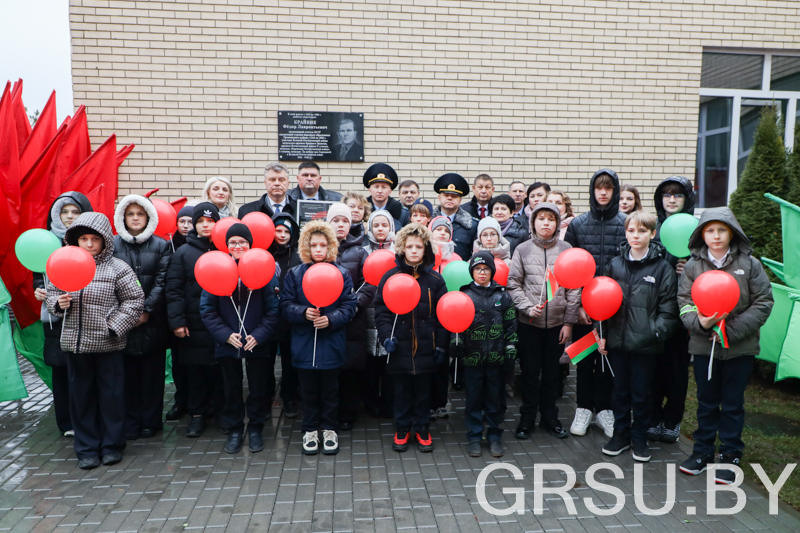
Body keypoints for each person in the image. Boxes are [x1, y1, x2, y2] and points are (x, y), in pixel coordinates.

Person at [677, 208, 773, 484]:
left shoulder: (750, 264)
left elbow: (764, 302)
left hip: (739, 349)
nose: (716, 236)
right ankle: (703, 451)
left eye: (721, 230)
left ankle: (730, 455)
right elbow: (683, 303)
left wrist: (730, 330)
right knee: (706, 403)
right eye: (709, 230)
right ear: (701, 235)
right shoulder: (693, 266)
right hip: (703, 348)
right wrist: (701, 323)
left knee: (732, 404)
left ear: (732, 232)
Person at [45, 212, 145, 470]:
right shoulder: (62, 263)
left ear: (105, 242)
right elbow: (52, 297)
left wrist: (114, 328)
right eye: (83, 239)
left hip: (107, 345)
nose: (89, 244)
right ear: (74, 241)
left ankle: (112, 446)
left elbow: (134, 300)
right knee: (81, 399)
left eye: (94, 239)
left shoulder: (117, 267)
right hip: (76, 347)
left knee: (111, 398)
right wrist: (58, 303)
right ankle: (87, 448)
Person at [597, 210, 679, 462]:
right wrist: (601, 333)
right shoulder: (614, 264)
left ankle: (640, 436)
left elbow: (668, 309)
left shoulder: (662, 268)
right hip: (618, 342)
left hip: (646, 344)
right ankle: (621, 434)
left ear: (652, 234)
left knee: (642, 393)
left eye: (642, 231)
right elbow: (600, 300)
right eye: (631, 230)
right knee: (620, 391)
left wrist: (655, 333)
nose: (636, 235)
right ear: (625, 233)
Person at [200, 223, 279, 454]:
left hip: (257, 341)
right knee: (231, 388)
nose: (238, 246)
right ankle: (235, 428)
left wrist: (259, 335)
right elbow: (207, 309)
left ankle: (255, 427)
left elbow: (273, 310)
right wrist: (225, 335)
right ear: (227, 246)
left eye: (242, 242)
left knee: (258, 387)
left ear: (250, 245)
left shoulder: (263, 270)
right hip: (228, 343)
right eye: (233, 242)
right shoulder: (217, 269)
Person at [280, 221, 357, 455]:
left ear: (331, 247)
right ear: (306, 247)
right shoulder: (295, 274)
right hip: (304, 344)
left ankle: (329, 428)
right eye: (313, 245)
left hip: (331, 343)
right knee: (308, 391)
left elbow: (349, 305)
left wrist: (332, 319)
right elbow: (285, 304)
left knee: (330, 390)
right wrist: (303, 313)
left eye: (323, 245)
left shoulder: (341, 273)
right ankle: (309, 429)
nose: (318, 250)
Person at [507, 202, 579, 441]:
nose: (546, 223)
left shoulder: (567, 249)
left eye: (551, 219)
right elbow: (513, 283)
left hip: (558, 325)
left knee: (552, 374)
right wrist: (527, 307)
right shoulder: (523, 249)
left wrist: (568, 322)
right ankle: (527, 418)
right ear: (533, 222)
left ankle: (550, 417)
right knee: (529, 374)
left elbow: (573, 286)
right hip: (530, 325)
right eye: (541, 218)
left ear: (558, 223)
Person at [564, 169, 627, 439]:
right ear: (592, 192)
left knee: (609, 357)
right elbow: (568, 269)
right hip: (584, 307)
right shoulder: (578, 225)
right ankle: (583, 408)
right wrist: (577, 305)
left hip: (616, 306)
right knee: (586, 357)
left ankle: (605, 410)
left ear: (615, 192)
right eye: (598, 188)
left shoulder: (626, 223)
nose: (603, 193)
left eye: (608, 188)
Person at [375, 223, 448, 453]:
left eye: (418, 246)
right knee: (402, 392)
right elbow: (381, 311)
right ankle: (403, 428)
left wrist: (440, 346)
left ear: (425, 248)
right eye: (409, 246)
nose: (414, 250)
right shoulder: (391, 277)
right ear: (402, 249)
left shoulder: (435, 280)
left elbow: (444, 314)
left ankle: (423, 428)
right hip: (400, 347)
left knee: (424, 393)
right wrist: (387, 337)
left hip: (427, 348)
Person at [33, 191, 93, 438]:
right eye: (64, 211)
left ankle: (89, 418)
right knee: (61, 370)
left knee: (87, 370)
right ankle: (66, 422)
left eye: (75, 211)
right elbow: (37, 274)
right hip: (56, 319)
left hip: (87, 313)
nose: (69, 216)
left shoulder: (90, 240)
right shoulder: (46, 242)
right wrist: (37, 289)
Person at [112, 194, 172, 441]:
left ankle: (151, 422)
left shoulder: (161, 245)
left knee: (152, 375)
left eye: (140, 214)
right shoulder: (113, 245)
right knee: (127, 377)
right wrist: (126, 314)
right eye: (130, 214)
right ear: (122, 217)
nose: (135, 218)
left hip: (153, 322)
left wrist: (146, 310)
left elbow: (162, 280)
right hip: (121, 322)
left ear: (148, 217)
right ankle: (131, 422)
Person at [166, 203, 225, 438]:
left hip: (221, 323)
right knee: (196, 372)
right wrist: (178, 321)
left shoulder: (226, 250)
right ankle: (197, 415)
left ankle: (221, 412)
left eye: (210, 221)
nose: (205, 225)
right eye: (201, 221)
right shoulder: (183, 253)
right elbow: (174, 290)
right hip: (193, 323)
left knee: (221, 372)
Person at [456, 251, 517, 458]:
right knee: (473, 398)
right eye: (478, 269)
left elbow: (511, 326)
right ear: (472, 271)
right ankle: (474, 436)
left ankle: (494, 435)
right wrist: (456, 345)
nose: (482, 272)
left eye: (486, 269)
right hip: (471, 358)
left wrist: (510, 350)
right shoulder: (464, 295)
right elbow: (456, 325)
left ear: (492, 271)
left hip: (496, 360)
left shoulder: (503, 296)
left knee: (494, 400)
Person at [648, 176, 696, 444]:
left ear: (686, 199)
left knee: (677, 370)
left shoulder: (696, 231)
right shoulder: (652, 227)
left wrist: (688, 271)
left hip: (682, 313)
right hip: (654, 311)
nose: (672, 199)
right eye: (666, 195)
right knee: (653, 368)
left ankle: (672, 420)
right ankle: (653, 418)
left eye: (678, 195)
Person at [327, 204, 376, 430]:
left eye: (344, 221)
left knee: (350, 369)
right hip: (325, 320)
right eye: (335, 220)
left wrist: (350, 308)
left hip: (352, 320)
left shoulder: (359, 251)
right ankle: (329, 412)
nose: (340, 224)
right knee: (329, 369)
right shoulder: (319, 248)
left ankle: (348, 412)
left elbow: (369, 284)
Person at [268, 211, 302, 418]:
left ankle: (289, 396)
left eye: (286, 231)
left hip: (291, 317)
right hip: (269, 316)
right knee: (266, 361)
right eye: (277, 230)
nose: (281, 235)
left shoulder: (299, 254)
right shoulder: (264, 253)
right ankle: (266, 396)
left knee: (290, 361)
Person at [165, 203, 195, 422]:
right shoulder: (169, 246)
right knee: (179, 362)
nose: (186, 226)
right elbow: (171, 286)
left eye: (190, 222)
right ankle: (181, 399)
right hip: (177, 311)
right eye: (182, 221)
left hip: (198, 313)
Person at [431, 173, 478, 260]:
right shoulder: (428, 222)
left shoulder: (472, 226)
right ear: (439, 197)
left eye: (454, 196)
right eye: (446, 195)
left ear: (460, 200)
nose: (449, 198)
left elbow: (474, 254)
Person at [363, 163, 410, 229]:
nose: (379, 191)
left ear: (390, 191)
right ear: (370, 190)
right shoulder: (362, 211)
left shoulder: (402, 213)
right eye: (376, 187)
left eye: (384, 187)